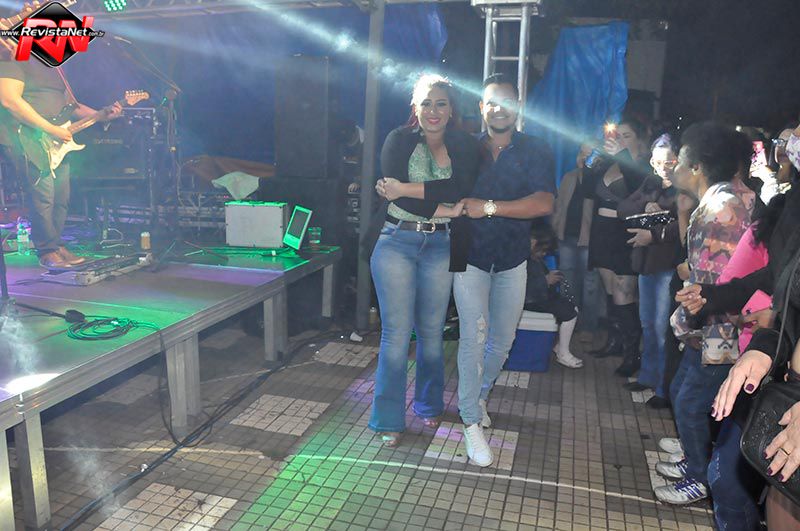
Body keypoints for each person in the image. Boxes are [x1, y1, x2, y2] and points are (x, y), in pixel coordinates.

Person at [364, 74, 478, 448]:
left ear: (451, 109)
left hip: (442, 244)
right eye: (426, 103)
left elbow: (460, 187)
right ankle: (388, 419)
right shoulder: (398, 139)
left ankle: (428, 404)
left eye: (441, 103)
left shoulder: (463, 143)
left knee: (432, 332)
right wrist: (446, 208)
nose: (433, 111)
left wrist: (404, 188)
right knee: (396, 335)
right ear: (415, 106)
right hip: (396, 240)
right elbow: (397, 197)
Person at [654, 123, 756, 505]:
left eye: (680, 160)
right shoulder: (722, 200)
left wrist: (687, 281)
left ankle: (699, 477)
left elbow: (714, 282)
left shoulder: (720, 210)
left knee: (690, 402)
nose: (674, 166)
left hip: (720, 330)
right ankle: (693, 458)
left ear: (696, 167)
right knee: (682, 392)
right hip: (714, 326)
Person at [0, 47, 122, 269]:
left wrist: (103, 115)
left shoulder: (54, 67)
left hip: (56, 140)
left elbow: (72, 106)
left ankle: (56, 245)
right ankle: (46, 251)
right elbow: (10, 101)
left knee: (61, 196)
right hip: (27, 136)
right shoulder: (12, 56)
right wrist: (50, 129)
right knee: (43, 196)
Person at [585, 117, 650, 376]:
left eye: (626, 136)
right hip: (602, 233)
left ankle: (632, 353)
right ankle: (615, 341)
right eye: (617, 135)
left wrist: (622, 156)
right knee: (611, 291)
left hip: (625, 235)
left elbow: (637, 188)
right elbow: (587, 189)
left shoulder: (642, 166)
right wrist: (592, 159)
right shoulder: (608, 162)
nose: (620, 141)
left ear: (639, 140)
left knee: (625, 292)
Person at [617, 133, 680, 398]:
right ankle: (648, 375)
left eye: (668, 161)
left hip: (667, 264)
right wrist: (646, 203)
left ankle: (664, 387)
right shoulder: (650, 183)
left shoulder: (683, 188)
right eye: (657, 161)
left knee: (662, 327)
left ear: (677, 160)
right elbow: (623, 209)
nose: (662, 167)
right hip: (646, 264)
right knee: (648, 323)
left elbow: (684, 226)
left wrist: (655, 231)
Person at [551, 142, 603, 339]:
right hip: (566, 237)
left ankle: (588, 327)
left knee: (590, 285)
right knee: (567, 284)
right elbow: (559, 206)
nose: (584, 158)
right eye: (581, 153)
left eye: (589, 154)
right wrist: (554, 231)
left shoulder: (601, 180)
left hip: (589, 240)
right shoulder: (569, 177)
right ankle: (568, 325)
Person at [524, 221, 583, 369]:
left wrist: (548, 278)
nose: (544, 254)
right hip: (530, 300)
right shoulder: (524, 259)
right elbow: (524, 285)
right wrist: (546, 280)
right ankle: (563, 352)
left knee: (572, 308)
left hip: (536, 297)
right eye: (542, 250)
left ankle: (560, 346)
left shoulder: (532, 258)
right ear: (533, 242)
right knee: (569, 312)